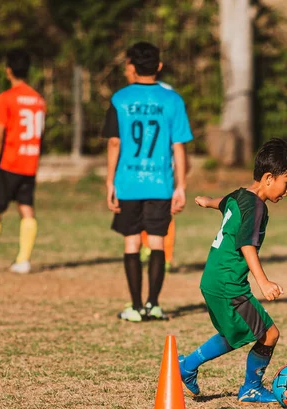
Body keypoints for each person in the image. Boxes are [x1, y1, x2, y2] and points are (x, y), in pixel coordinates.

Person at [178, 138, 287, 403]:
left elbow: (225, 201)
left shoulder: (242, 194)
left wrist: (208, 201)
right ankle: (250, 387)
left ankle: (186, 366)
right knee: (269, 334)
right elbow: (247, 245)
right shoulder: (257, 207)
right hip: (229, 283)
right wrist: (264, 282)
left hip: (213, 279)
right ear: (268, 178)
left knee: (234, 333)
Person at [102, 41, 193, 322]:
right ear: (159, 66)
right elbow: (179, 147)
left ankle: (135, 307)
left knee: (131, 243)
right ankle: (154, 304)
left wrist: (109, 182)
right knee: (156, 242)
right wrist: (181, 185)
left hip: (128, 182)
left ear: (131, 66)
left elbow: (115, 143)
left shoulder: (119, 99)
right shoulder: (173, 100)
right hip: (160, 183)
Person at [0, 49, 46, 274]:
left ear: (8, 71)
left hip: (9, 162)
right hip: (30, 161)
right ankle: (23, 260)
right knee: (26, 208)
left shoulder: (7, 98)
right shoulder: (38, 99)